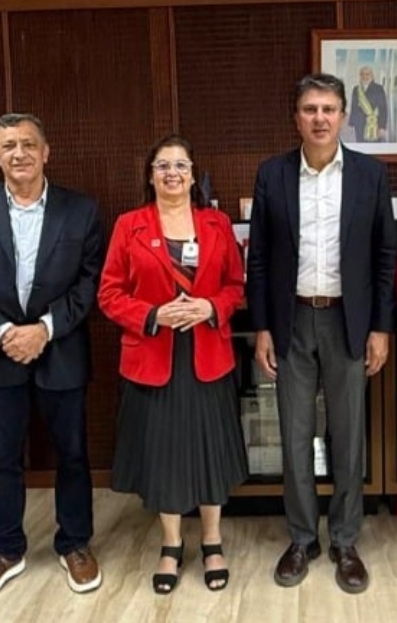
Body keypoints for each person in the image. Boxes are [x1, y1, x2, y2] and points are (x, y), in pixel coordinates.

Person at [0, 113, 106, 607]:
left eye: (29, 144)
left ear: (46, 151)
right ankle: (5, 550)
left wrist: (45, 329)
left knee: (72, 455)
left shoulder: (82, 210)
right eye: (9, 145)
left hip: (61, 348)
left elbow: (90, 282)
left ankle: (74, 543)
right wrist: (2, 333)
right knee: (1, 457)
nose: (20, 153)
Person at [248, 72, 397, 594]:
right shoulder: (272, 174)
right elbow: (259, 258)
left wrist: (381, 327)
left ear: (343, 117)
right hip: (290, 319)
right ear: (296, 117)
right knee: (294, 435)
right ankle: (301, 538)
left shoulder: (370, 175)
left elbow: (385, 255)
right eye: (310, 109)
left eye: (329, 109)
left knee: (348, 434)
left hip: (347, 320)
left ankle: (345, 540)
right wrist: (262, 326)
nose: (319, 118)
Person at [99, 135, 249, 594]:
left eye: (181, 165)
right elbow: (108, 293)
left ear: (193, 175)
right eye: (162, 165)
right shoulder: (129, 225)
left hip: (207, 353)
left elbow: (236, 285)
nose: (172, 173)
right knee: (164, 455)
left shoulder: (217, 223)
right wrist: (152, 315)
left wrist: (211, 307)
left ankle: (212, 540)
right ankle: (170, 544)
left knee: (209, 451)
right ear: (150, 175)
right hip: (154, 354)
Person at [347, 66, 389, 143]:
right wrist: (352, 124)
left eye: (367, 74)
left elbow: (383, 108)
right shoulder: (356, 89)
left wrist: (382, 127)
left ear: (372, 75)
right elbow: (353, 107)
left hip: (375, 124)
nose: (365, 76)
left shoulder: (379, 88)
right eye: (362, 74)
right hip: (359, 124)